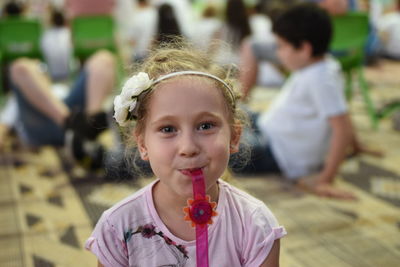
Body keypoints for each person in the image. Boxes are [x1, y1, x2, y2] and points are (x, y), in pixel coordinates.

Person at [85, 43, 286, 266]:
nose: (188, 147)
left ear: (234, 137)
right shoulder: (118, 229)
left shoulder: (255, 225)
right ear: (142, 144)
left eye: (205, 126)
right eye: (168, 129)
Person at [235, 3, 371, 200]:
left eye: (281, 46)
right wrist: (357, 146)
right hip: (269, 129)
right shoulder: (323, 66)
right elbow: (344, 112)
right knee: (232, 110)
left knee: (219, 148)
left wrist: (325, 179)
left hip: (274, 152)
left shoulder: (320, 78)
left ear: (304, 49)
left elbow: (342, 126)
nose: (278, 53)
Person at [0, 50, 116, 169]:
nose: (38, 69)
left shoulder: (61, 87)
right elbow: (3, 124)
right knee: (20, 67)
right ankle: (75, 124)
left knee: (104, 59)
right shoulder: (17, 98)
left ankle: (90, 123)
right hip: (42, 126)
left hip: (73, 114)